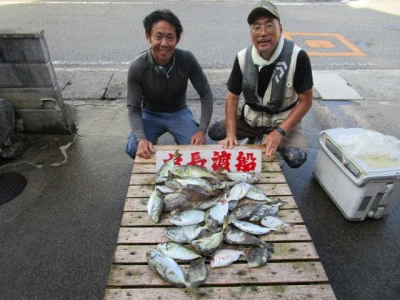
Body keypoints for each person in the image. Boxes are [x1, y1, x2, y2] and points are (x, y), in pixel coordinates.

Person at [208, 1, 313, 168]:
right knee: (216, 132)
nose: (263, 33)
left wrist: (280, 131)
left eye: (269, 26)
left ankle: (274, 141)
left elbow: (306, 101)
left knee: (296, 158)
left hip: (281, 120)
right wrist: (230, 134)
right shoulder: (243, 57)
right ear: (251, 33)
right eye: (256, 28)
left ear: (281, 28)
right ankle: (256, 138)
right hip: (251, 119)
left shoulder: (298, 57)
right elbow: (232, 98)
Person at [125, 9, 213, 159]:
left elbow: (206, 94)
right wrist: (141, 139)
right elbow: (133, 108)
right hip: (150, 114)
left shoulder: (186, 59)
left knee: (200, 151)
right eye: (158, 37)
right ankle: (150, 138)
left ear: (177, 39)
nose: (164, 44)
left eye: (170, 37)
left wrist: (202, 130)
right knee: (134, 149)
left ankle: (180, 138)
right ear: (148, 37)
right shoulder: (138, 66)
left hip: (179, 112)